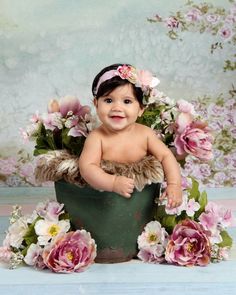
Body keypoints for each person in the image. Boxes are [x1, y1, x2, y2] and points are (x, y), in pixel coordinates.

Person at [79, 63, 182, 208]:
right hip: (107, 202)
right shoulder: (97, 138)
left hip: (142, 200)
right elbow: (87, 167)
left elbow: (165, 156)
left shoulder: (145, 134)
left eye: (127, 101)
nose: (117, 108)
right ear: (96, 104)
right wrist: (112, 182)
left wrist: (174, 184)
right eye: (108, 100)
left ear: (141, 109)